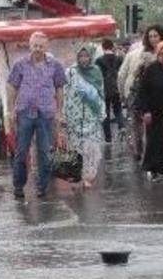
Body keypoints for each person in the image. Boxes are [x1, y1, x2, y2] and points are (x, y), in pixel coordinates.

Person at [7, 32, 66, 199]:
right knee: (21, 151)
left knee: (45, 152)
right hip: (25, 112)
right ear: (30, 45)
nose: (38, 49)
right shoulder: (20, 64)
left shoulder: (55, 65)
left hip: (46, 114)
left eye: (41, 46)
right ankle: (19, 185)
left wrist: (59, 111)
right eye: (35, 45)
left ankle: (42, 186)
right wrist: (11, 110)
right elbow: (12, 86)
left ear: (46, 47)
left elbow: (60, 88)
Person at [117, 25, 163, 162]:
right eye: (150, 36)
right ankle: (144, 153)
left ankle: (139, 151)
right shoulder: (144, 55)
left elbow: (121, 75)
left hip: (142, 94)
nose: (153, 39)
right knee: (143, 124)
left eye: (155, 36)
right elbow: (126, 75)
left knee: (139, 125)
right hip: (141, 94)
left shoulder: (135, 53)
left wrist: (122, 93)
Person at [137, 41, 163, 180]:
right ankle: (152, 168)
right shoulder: (151, 70)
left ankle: (161, 168)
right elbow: (143, 91)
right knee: (154, 141)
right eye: (162, 54)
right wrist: (145, 111)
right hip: (153, 111)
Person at [64, 46, 106, 188]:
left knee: (90, 147)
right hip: (74, 116)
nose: (83, 59)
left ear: (90, 57)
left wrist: (101, 111)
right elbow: (65, 93)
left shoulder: (96, 71)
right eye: (81, 56)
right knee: (76, 148)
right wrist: (64, 115)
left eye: (86, 56)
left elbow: (101, 92)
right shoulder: (71, 72)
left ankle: (88, 176)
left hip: (91, 115)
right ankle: (76, 177)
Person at [94, 39, 124, 143]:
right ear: (112, 47)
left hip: (104, 90)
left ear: (103, 47)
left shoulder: (98, 60)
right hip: (116, 88)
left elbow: (96, 76)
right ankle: (121, 126)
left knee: (105, 112)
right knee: (118, 109)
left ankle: (108, 138)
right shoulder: (119, 59)